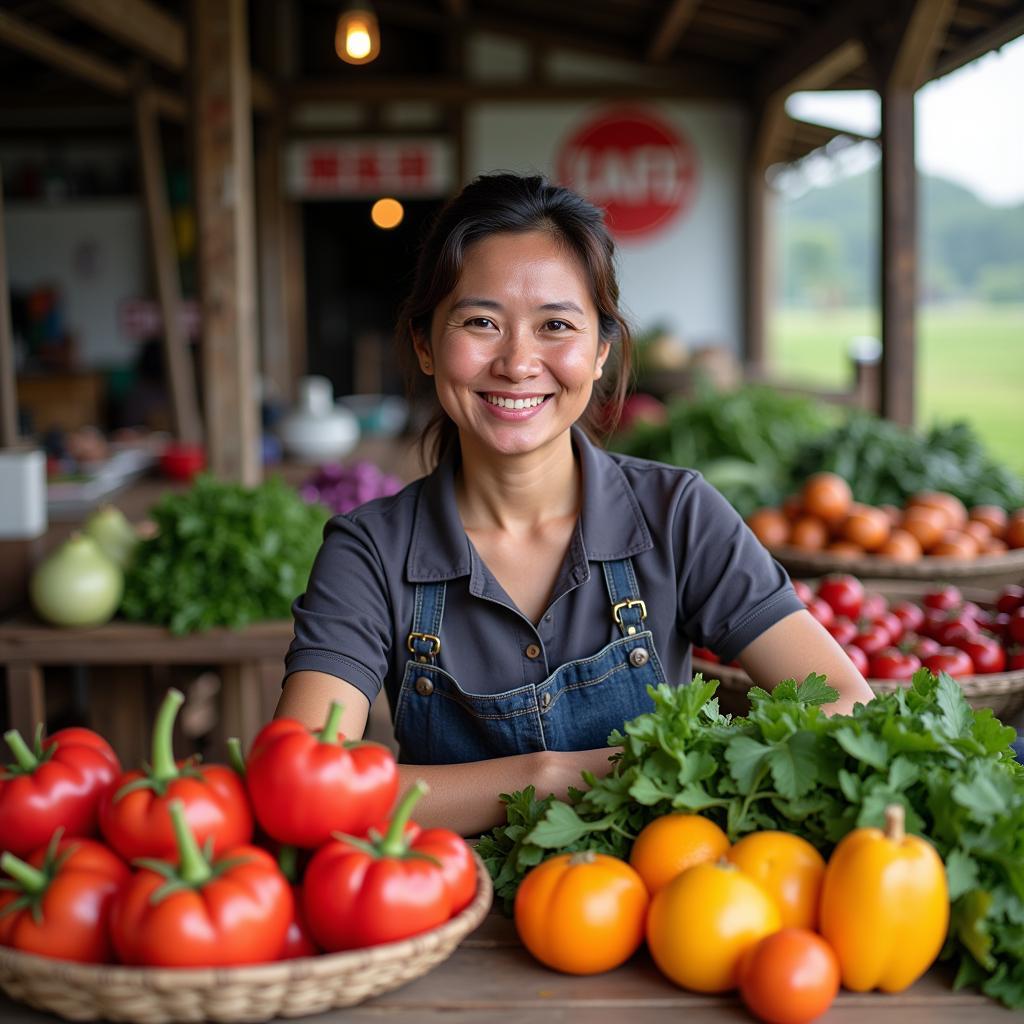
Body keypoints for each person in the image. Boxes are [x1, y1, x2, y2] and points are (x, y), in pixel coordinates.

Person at [277, 172, 874, 835]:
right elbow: (304, 780)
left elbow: (845, 702)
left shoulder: (677, 515)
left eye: (556, 325)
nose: (518, 361)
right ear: (425, 345)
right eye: (481, 322)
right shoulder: (370, 552)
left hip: (665, 905)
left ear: (599, 352)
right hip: (443, 911)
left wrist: (569, 774)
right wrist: (548, 776)